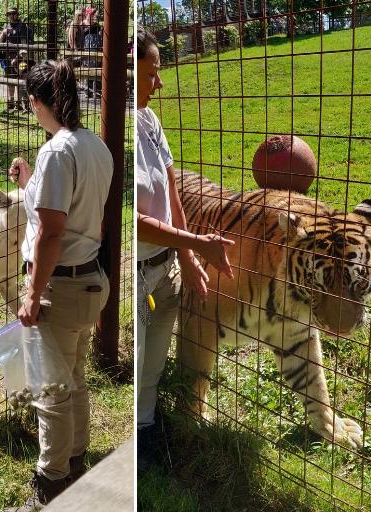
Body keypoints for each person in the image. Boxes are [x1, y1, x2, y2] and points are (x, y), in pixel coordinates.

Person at [5, 59, 113, 511]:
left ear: (35, 102)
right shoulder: (94, 146)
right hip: (90, 282)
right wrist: (31, 182)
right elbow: (68, 211)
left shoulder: (56, 152)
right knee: (74, 378)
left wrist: (32, 293)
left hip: (60, 288)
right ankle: (76, 461)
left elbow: (51, 233)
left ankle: (51, 486)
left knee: (50, 391)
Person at [135, 27, 235, 465]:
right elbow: (135, 222)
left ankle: (147, 432)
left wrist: (187, 255)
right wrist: (196, 243)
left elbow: (172, 192)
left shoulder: (150, 120)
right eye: (152, 72)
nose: (160, 82)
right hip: (138, 269)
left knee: (154, 363)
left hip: (165, 264)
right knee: (138, 359)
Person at [0, 6, 34, 112]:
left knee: (20, 79)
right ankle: (11, 103)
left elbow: (23, 46)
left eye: (13, 14)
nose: (11, 16)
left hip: (20, 58)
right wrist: (2, 33)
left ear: (17, 15)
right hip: (8, 58)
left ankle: (23, 105)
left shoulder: (22, 26)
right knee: (10, 81)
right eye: (9, 14)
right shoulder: (6, 26)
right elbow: (0, 43)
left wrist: (17, 58)